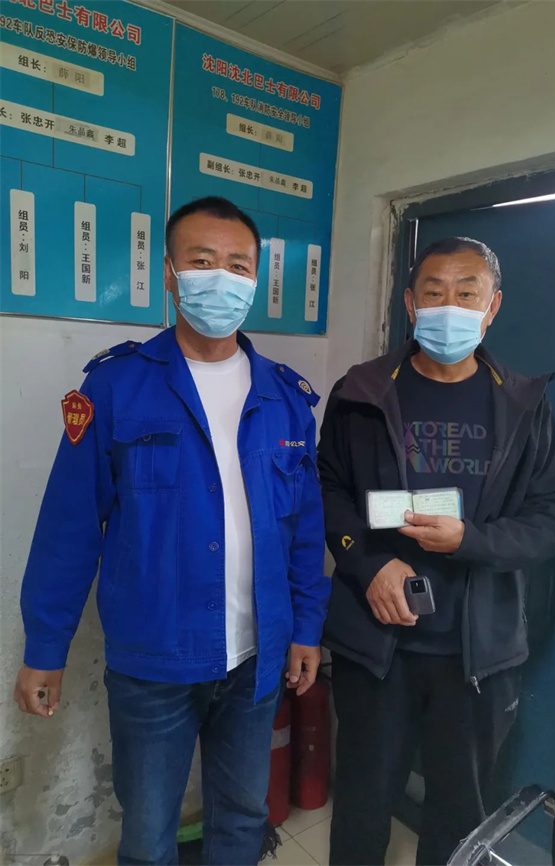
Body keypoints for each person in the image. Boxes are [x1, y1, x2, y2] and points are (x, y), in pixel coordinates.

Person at [14, 196, 330, 866]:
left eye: (238, 265)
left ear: (256, 279)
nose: (221, 278)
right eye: (202, 261)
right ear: (169, 273)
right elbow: (70, 526)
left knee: (243, 819)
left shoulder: (286, 397)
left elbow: (304, 529)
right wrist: (46, 645)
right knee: (149, 831)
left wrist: (306, 627)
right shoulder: (115, 386)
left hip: (256, 656)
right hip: (153, 658)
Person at [318, 237, 555, 865]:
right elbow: (325, 489)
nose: (449, 307)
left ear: (492, 307)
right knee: (361, 804)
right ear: (411, 304)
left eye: (467, 293)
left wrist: (472, 540)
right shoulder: (361, 392)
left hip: (476, 657)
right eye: (434, 293)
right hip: (375, 647)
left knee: (459, 817)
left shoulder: (523, 404)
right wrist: (369, 563)